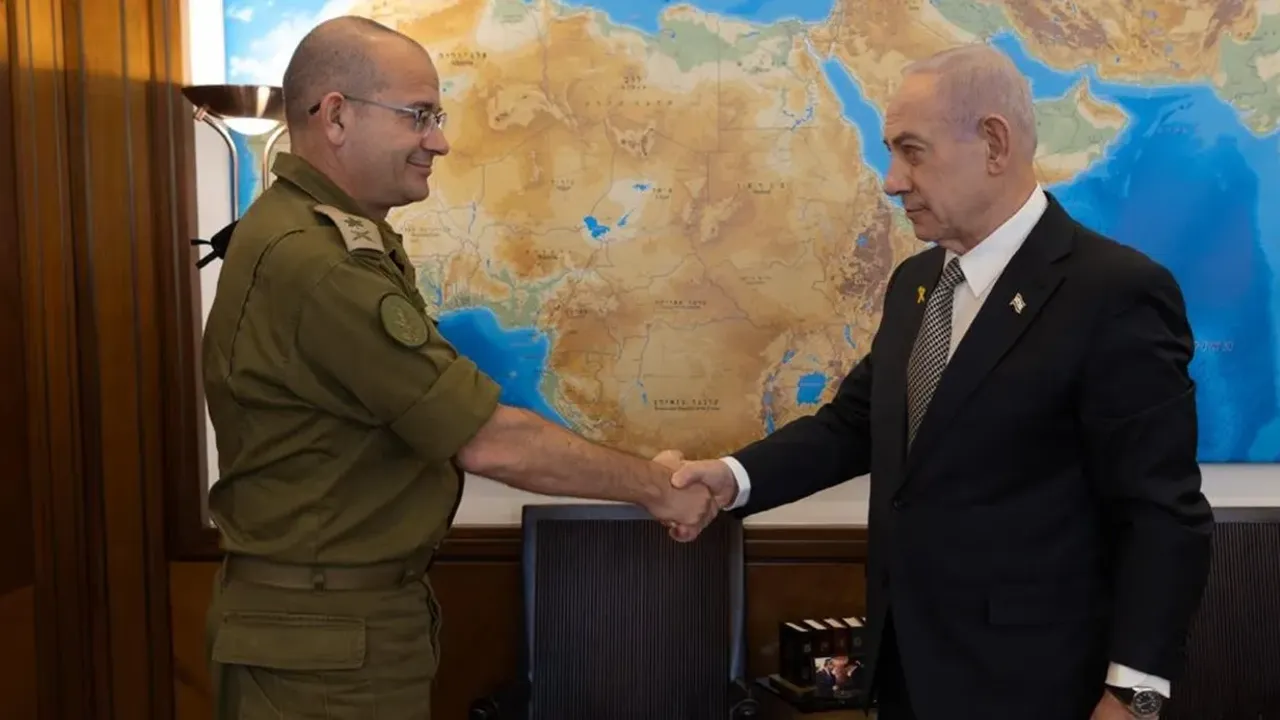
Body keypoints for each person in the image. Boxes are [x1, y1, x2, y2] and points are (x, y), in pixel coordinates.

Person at [659, 43, 1213, 720]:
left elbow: (1162, 514)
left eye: (912, 152)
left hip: (1040, 689)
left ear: (994, 143)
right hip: (906, 674)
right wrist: (730, 478)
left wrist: (1135, 699)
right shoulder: (917, 284)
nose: (892, 181)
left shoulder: (1114, 293)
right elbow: (855, 425)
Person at [200, 15, 717, 719]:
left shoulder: (326, 239)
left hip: (337, 627)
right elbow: (488, 440)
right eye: (417, 116)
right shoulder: (318, 263)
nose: (438, 141)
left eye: (435, 118)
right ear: (337, 116)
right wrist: (660, 489)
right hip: (321, 645)